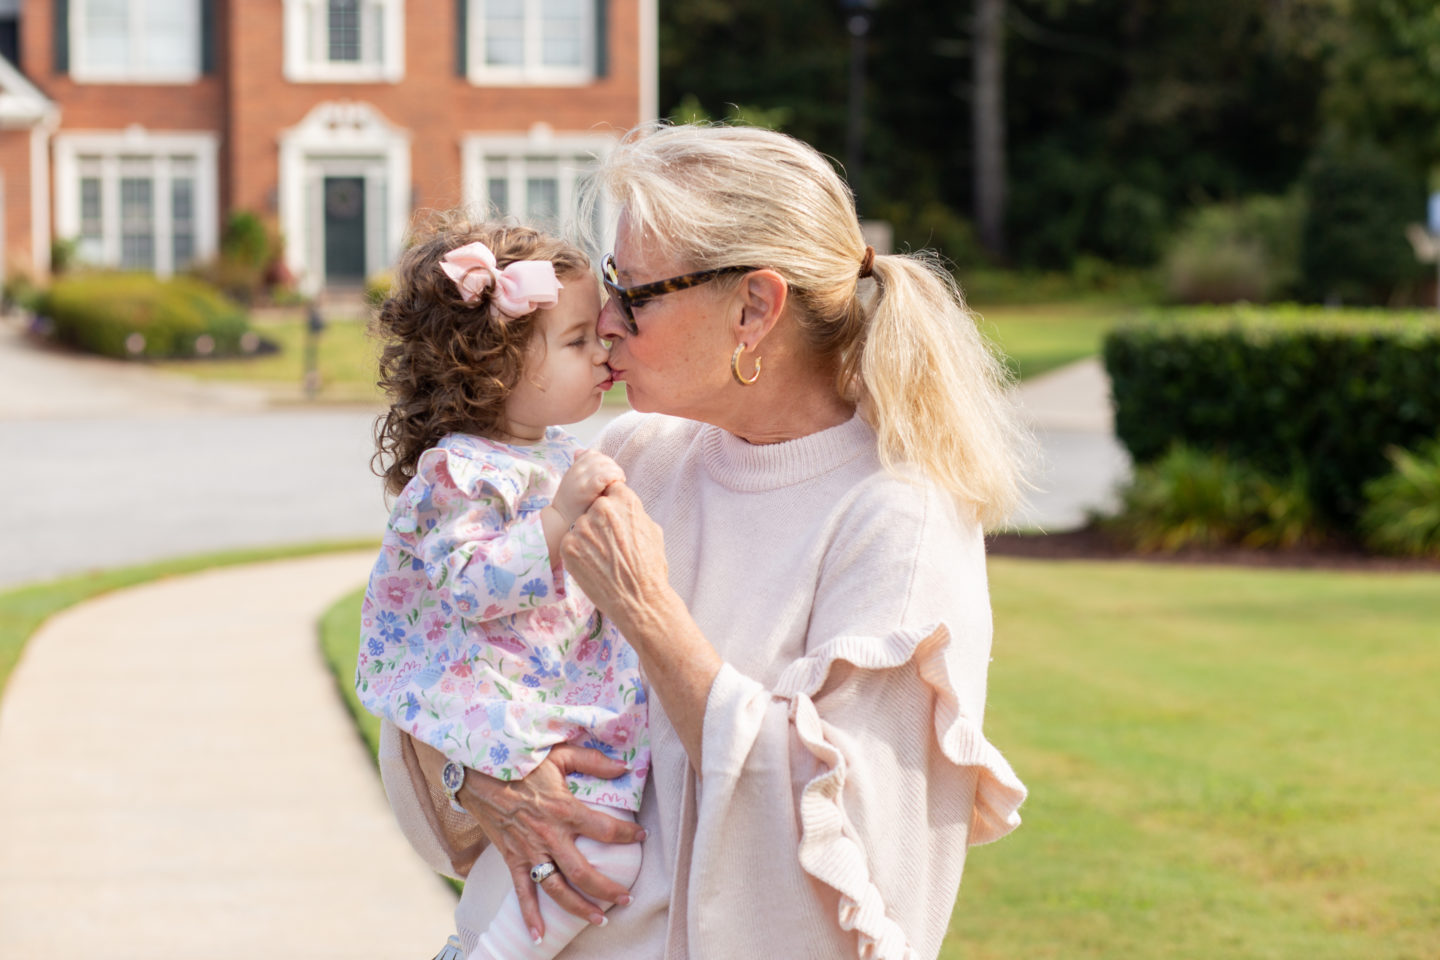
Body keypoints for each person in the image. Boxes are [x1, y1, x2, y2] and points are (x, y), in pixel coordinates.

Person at [379, 124, 1032, 960]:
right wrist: (478, 775)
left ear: (754, 309)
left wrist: (649, 613)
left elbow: (854, 882)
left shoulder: (898, 525)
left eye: (636, 292)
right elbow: (444, 648)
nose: (605, 319)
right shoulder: (634, 454)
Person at [357, 216, 648, 960]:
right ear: (497, 368)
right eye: (577, 341)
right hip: (502, 698)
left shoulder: (554, 452)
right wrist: (559, 518)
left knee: (599, 849)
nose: (604, 350)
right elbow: (470, 585)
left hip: (554, 693)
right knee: (606, 856)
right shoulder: (462, 472)